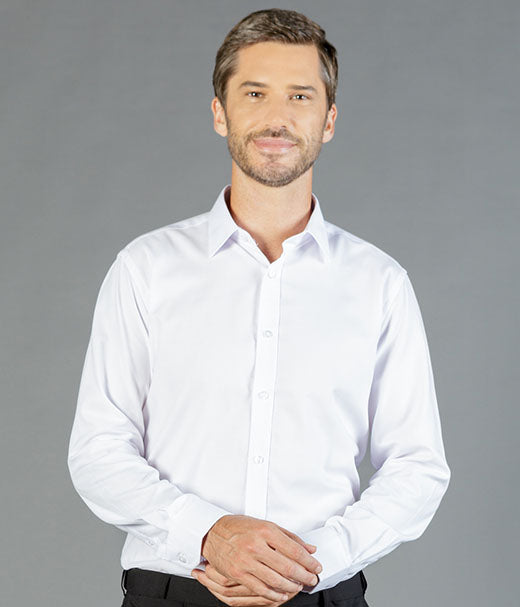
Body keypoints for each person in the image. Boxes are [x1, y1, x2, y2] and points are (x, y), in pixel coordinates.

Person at [67, 8, 451, 607]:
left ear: (329, 120)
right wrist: (209, 535)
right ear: (220, 112)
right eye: (254, 93)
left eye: (300, 95)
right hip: (174, 593)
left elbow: (417, 467)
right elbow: (98, 451)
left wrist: (310, 563)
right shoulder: (146, 269)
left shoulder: (379, 283)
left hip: (321, 592)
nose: (277, 117)